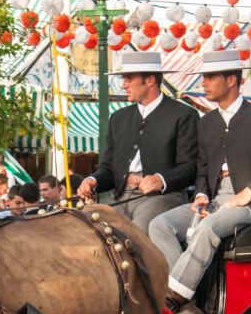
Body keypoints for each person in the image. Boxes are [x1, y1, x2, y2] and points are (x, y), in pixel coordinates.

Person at [150, 50, 251, 314]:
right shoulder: (206, 123)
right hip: (215, 201)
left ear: (231, 80)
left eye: (210, 77)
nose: (203, 83)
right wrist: (201, 195)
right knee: (159, 225)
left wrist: (250, 191)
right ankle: (188, 302)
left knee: (207, 227)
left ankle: (173, 298)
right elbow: (203, 167)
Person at [77, 51, 199, 233]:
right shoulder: (118, 118)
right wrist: (92, 180)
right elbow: (108, 167)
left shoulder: (184, 115)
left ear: (150, 80)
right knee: (87, 231)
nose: (124, 84)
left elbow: (191, 166)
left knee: (133, 235)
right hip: (119, 198)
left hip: (163, 197)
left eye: (129, 78)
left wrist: (160, 179)